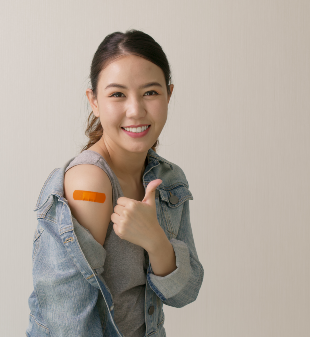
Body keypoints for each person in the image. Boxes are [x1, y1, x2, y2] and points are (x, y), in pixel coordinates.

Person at [27, 29, 204, 337]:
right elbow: (68, 326)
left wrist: (156, 240)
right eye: (117, 94)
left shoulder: (169, 179)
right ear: (94, 101)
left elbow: (185, 292)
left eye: (150, 92)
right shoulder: (91, 184)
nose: (135, 110)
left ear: (169, 94)